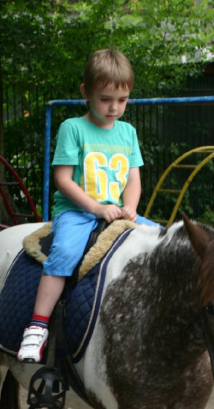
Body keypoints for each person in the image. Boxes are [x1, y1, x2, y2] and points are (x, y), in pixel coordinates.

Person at [17, 48, 157, 363]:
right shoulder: (73, 128)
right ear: (86, 92)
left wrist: (131, 207)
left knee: (162, 241)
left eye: (122, 100)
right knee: (65, 252)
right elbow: (63, 179)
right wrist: (96, 208)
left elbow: (133, 179)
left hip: (118, 213)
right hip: (78, 212)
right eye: (106, 99)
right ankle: (37, 327)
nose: (114, 107)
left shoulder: (128, 132)